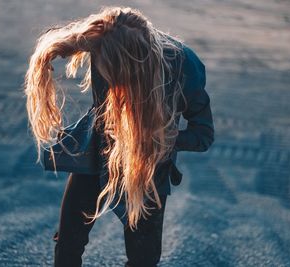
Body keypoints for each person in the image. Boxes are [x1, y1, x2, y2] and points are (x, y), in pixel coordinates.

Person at [24, 6, 214, 267]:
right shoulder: (104, 39)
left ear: (139, 62)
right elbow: (65, 42)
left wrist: (168, 139)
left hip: (148, 165)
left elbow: (203, 135)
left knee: (143, 259)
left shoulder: (183, 65)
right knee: (68, 242)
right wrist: (48, 56)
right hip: (98, 147)